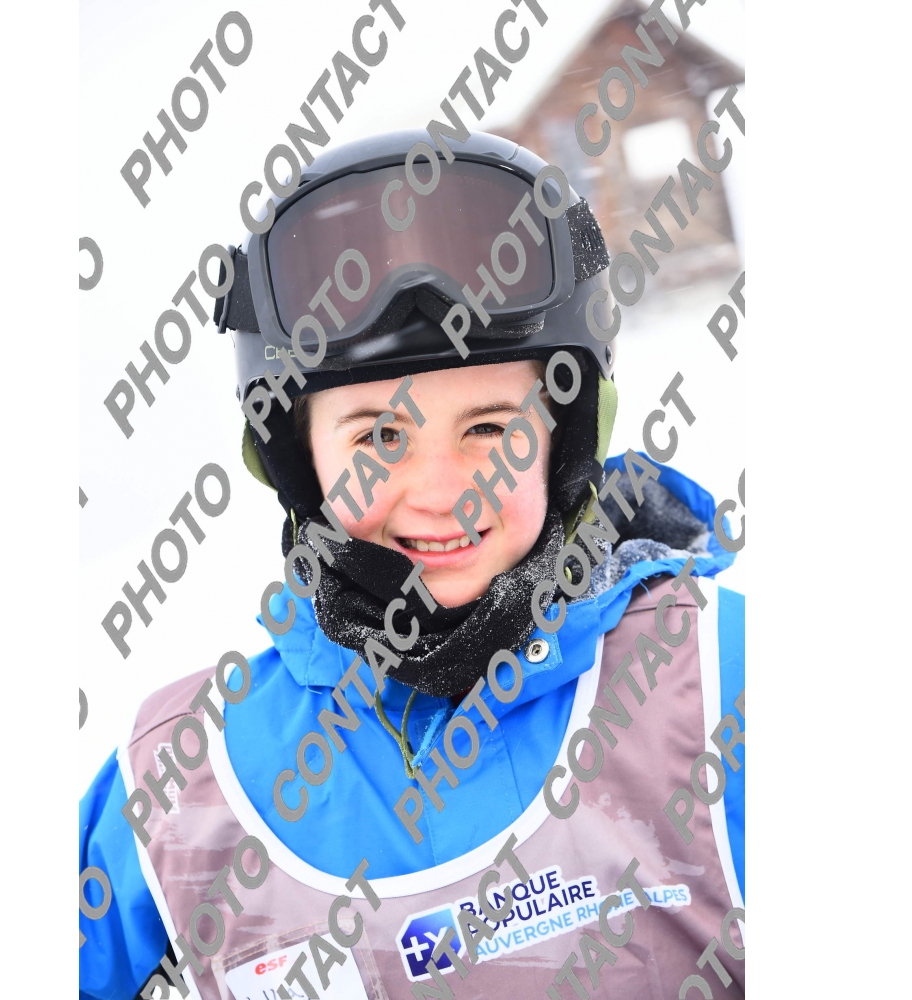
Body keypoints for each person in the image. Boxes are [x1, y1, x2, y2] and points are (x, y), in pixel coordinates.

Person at [80, 130, 744, 1000]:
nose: (444, 494)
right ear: (298, 462)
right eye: (379, 437)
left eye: (490, 428)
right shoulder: (177, 793)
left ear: (566, 439)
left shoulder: (717, 683)